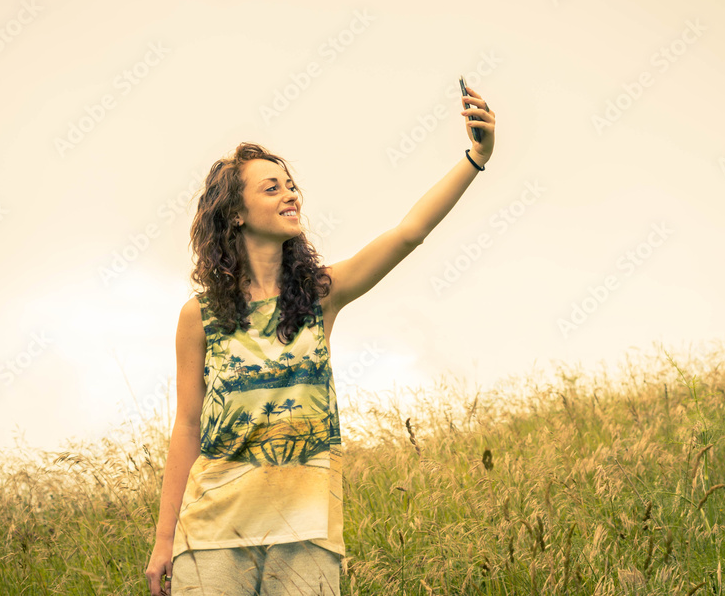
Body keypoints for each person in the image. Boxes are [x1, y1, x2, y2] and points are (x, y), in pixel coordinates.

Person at [144, 84, 496, 595]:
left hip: (305, 532)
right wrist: (164, 541)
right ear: (235, 214)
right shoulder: (200, 317)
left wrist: (476, 158)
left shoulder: (320, 296)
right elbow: (188, 427)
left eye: (290, 185)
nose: (291, 194)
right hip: (212, 535)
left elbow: (409, 233)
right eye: (271, 188)